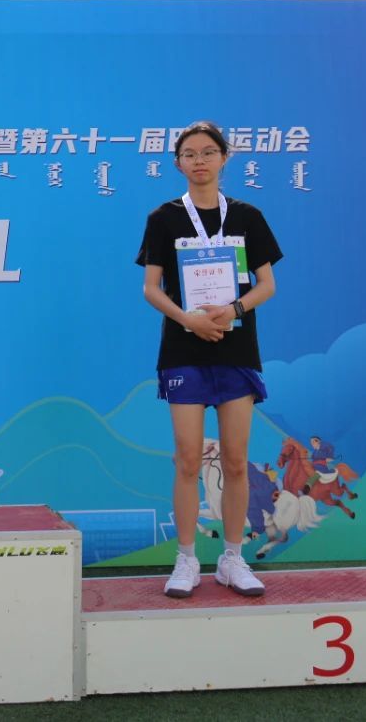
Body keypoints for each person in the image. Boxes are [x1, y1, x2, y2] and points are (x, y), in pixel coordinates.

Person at [137, 121, 281, 598]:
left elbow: (266, 285)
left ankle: (232, 558)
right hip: (183, 351)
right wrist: (189, 320)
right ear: (178, 163)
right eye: (189, 154)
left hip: (236, 349)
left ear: (224, 158)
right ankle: (186, 559)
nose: (199, 161)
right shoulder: (163, 218)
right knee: (187, 459)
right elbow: (151, 288)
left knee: (236, 461)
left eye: (207, 152)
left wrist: (232, 310)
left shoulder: (247, 216)